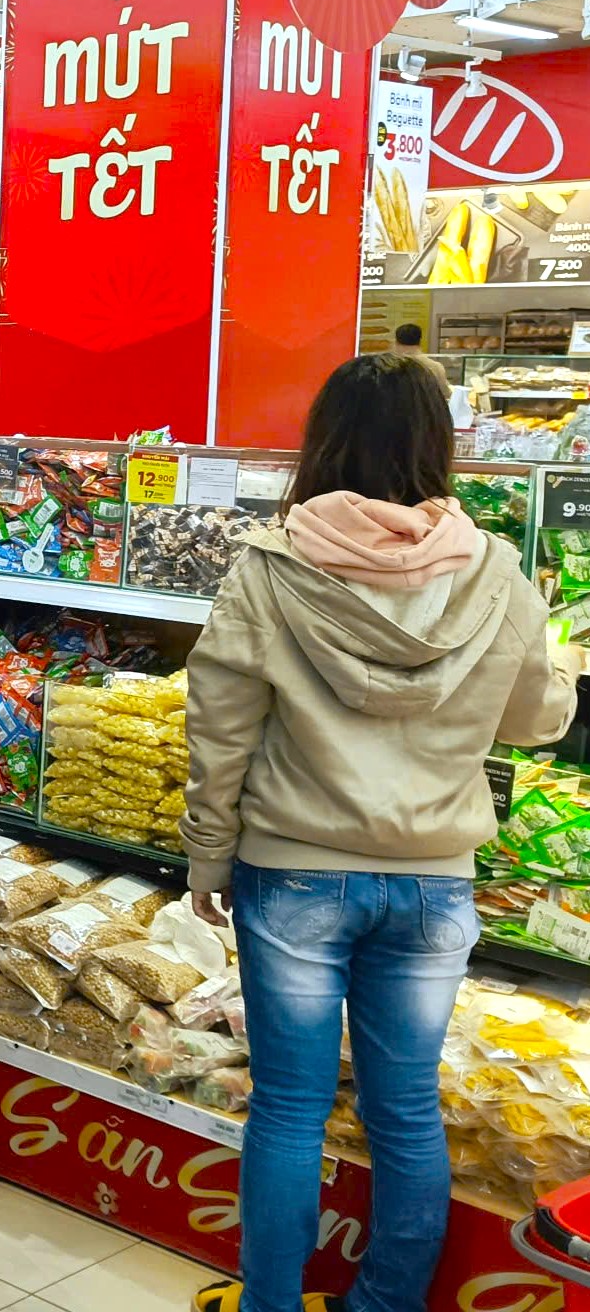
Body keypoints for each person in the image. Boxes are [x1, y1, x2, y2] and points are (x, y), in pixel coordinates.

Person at [182, 353, 582, 1312]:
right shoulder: (496, 571)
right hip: (435, 877)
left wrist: (207, 853)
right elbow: (537, 722)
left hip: (295, 872)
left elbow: (220, 728)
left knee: (288, 1109)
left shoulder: (271, 566)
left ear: (323, 441)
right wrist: (563, 666)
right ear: (439, 444)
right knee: (405, 1111)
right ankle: (387, 1303)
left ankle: (270, 1303)